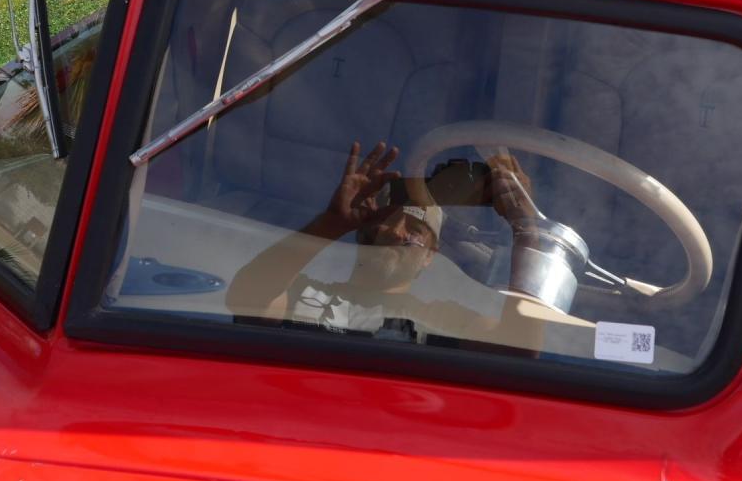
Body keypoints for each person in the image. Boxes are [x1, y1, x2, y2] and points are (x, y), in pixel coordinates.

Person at [225, 140, 542, 343]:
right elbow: (245, 296)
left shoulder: (443, 320)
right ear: (363, 230)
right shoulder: (305, 293)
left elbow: (518, 348)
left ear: (430, 255)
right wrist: (328, 225)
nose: (395, 233)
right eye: (386, 220)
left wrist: (526, 230)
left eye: (416, 228)